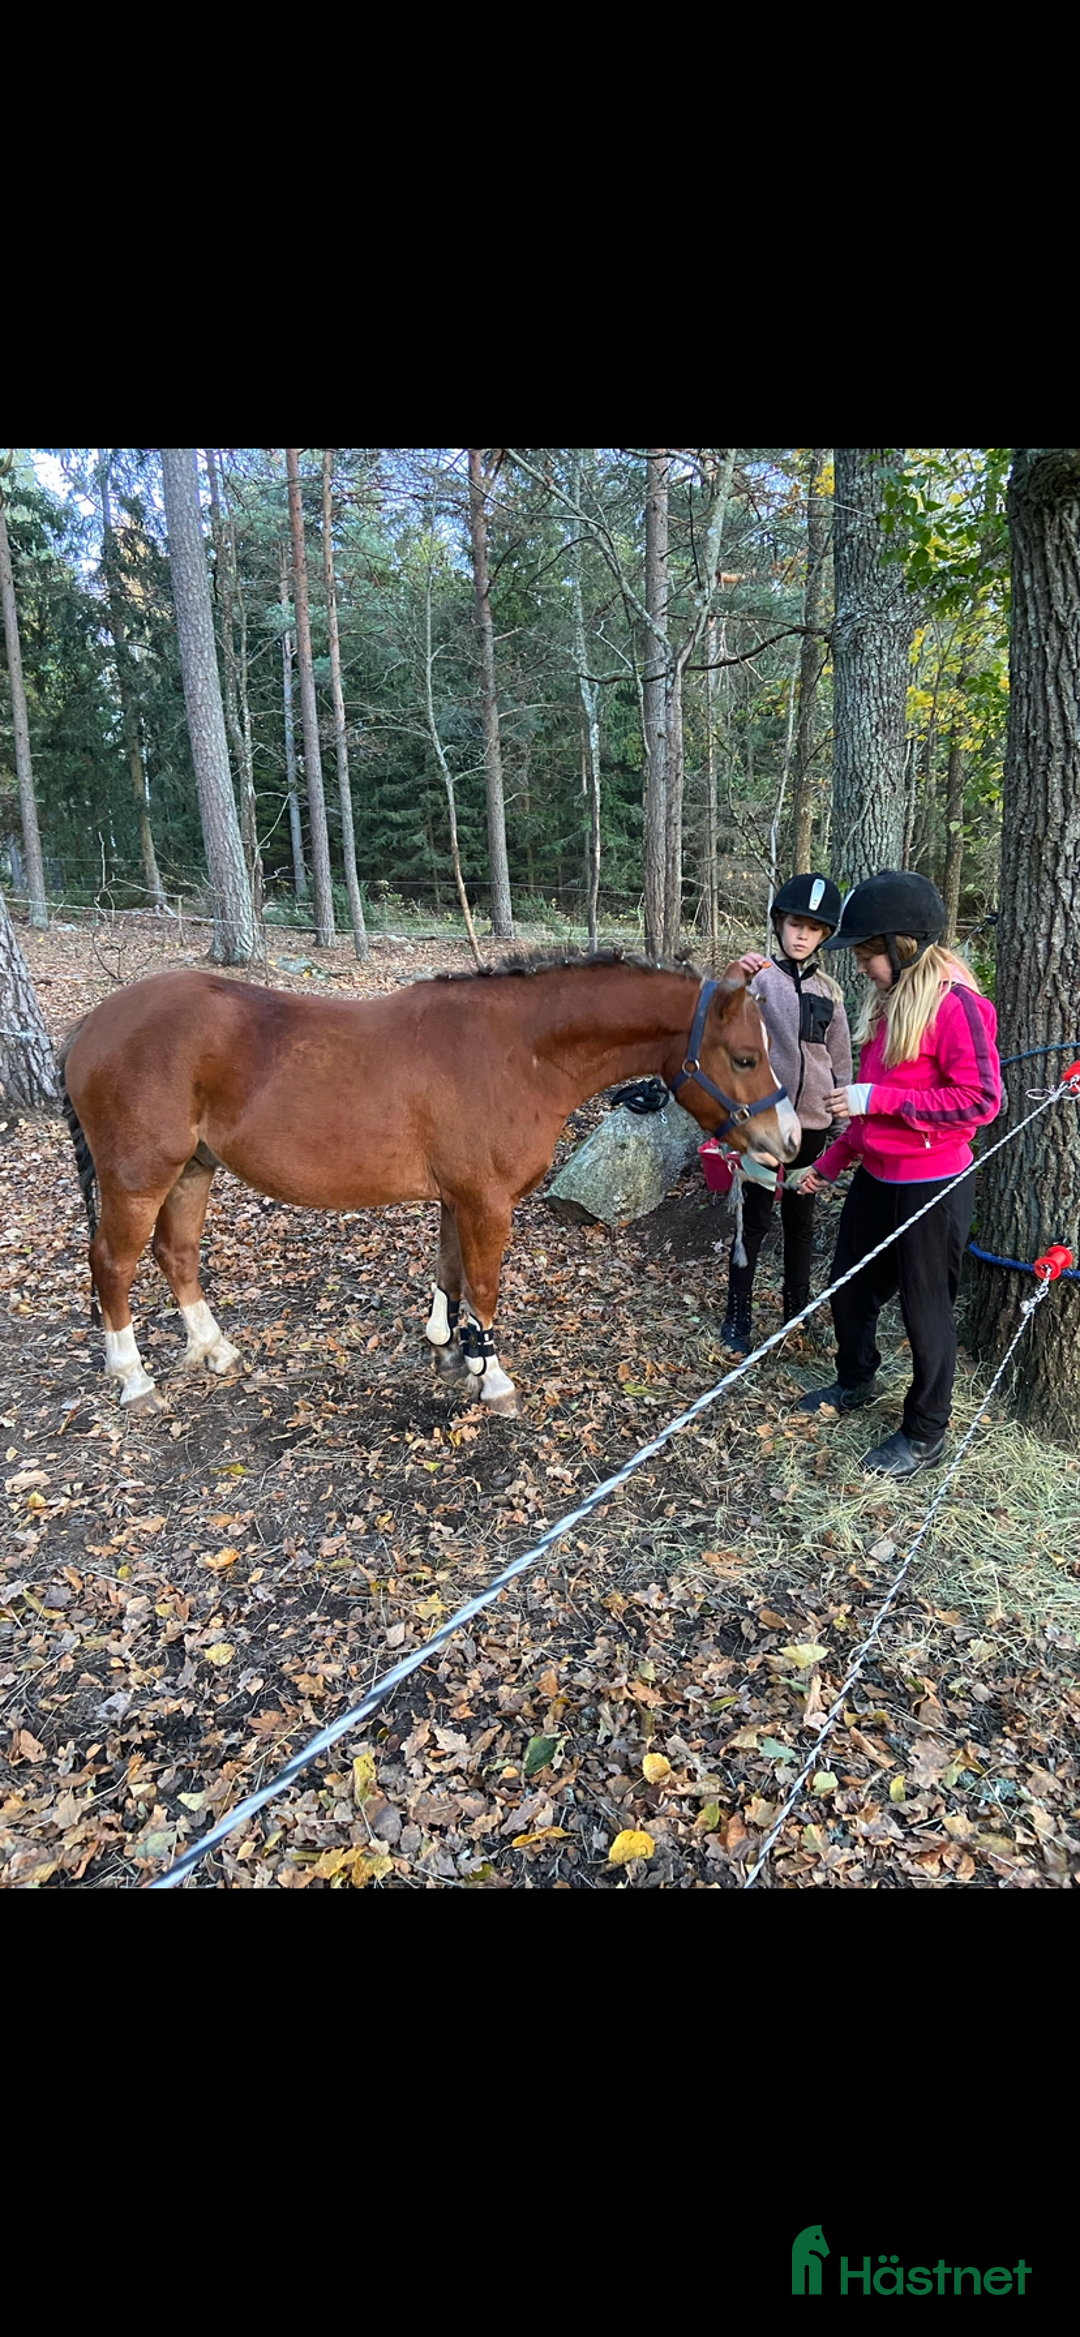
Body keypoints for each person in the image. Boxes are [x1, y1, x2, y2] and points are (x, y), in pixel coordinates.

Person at [797, 870, 1002, 1480]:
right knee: (849, 1288)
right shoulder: (888, 1011)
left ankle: (924, 1431)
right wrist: (829, 1166)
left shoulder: (956, 1006)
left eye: (867, 954)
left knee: (924, 1308)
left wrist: (876, 1098)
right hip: (878, 1178)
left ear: (902, 946)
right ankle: (855, 1377)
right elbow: (866, 1114)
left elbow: (981, 1101)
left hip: (932, 1184)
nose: (861, 966)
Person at [720, 873, 853, 1356]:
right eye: (796, 924)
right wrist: (737, 976)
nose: (802, 936)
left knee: (801, 1224)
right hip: (764, 1126)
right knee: (751, 1223)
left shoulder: (831, 995)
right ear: (780, 924)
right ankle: (738, 1314)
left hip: (813, 1127)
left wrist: (842, 1123)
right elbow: (719, 1016)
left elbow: (838, 1061)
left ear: (824, 937)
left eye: (813, 930)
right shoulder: (759, 981)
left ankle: (796, 1311)